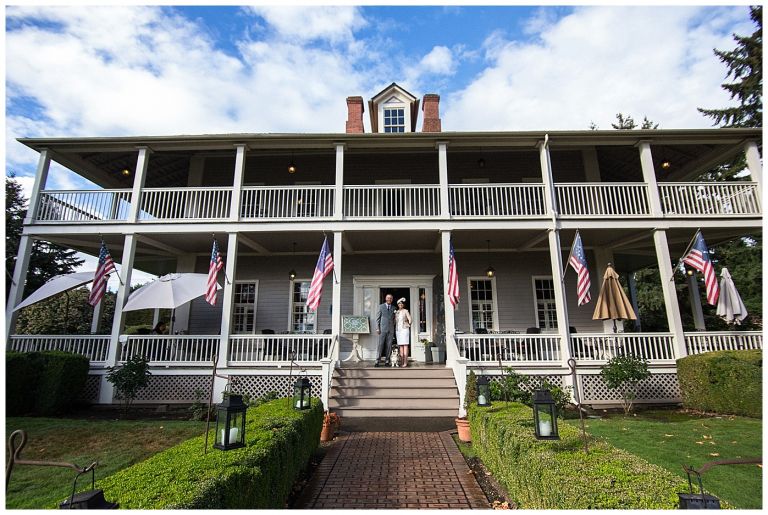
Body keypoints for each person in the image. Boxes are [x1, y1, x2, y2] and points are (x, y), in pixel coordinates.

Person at [375, 293, 396, 367]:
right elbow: (378, 318)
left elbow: (394, 319)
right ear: (385, 299)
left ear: (392, 299)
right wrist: (377, 328)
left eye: (390, 298)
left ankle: (387, 360)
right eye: (388, 298)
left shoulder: (394, 308)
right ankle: (377, 360)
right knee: (380, 345)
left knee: (389, 345)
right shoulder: (381, 306)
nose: (389, 299)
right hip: (382, 329)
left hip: (391, 329)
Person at [395, 298, 412, 367]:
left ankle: (405, 362)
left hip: (404, 330)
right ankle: (401, 361)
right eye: (399, 304)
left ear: (403, 305)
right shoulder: (396, 312)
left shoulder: (406, 311)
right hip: (398, 330)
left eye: (402, 304)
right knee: (400, 346)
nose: (400, 305)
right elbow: (394, 321)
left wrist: (408, 325)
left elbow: (410, 319)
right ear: (398, 305)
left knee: (405, 345)